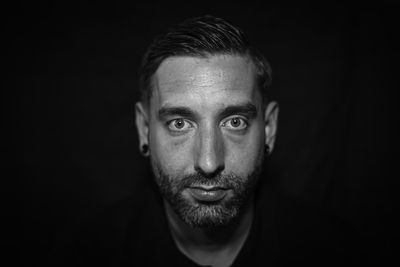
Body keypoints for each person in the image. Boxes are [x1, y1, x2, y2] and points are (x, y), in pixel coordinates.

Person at [50, 15, 364, 266]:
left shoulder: (336, 252)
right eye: (179, 123)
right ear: (144, 129)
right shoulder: (89, 254)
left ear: (268, 128)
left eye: (235, 122)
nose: (209, 162)